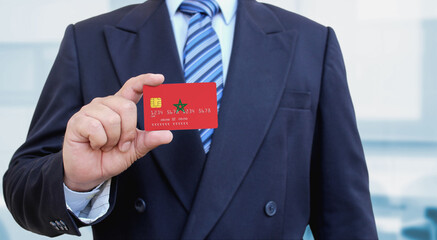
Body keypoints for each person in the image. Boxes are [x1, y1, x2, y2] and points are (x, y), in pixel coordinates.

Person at [2, 0, 378, 239]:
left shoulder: (312, 42)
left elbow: (347, 217)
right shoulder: (89, 40)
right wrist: (74, 180)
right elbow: (22, 190)